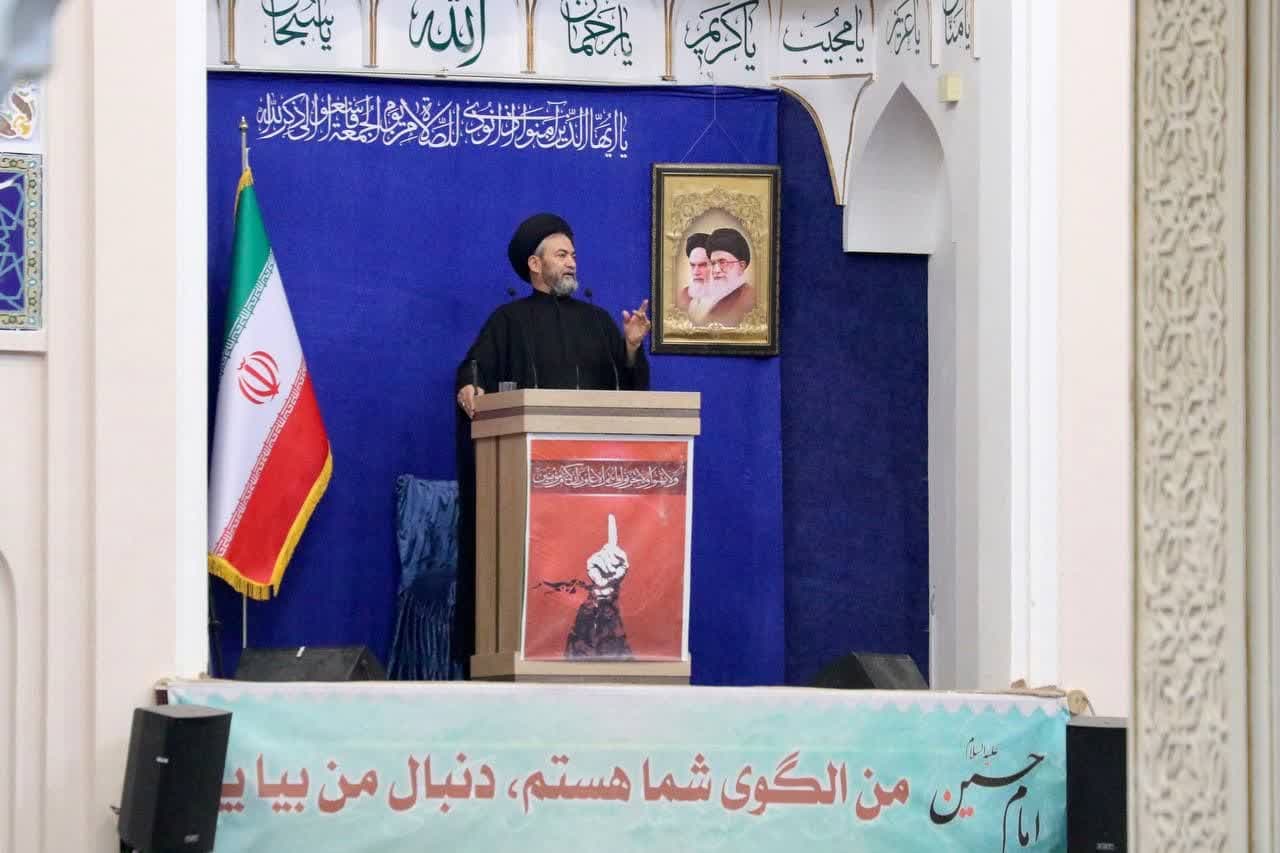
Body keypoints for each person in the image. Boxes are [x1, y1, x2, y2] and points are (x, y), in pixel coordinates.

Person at [455, 212, 652, 417]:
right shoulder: (508, 319)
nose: (572, 264)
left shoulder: (597, 319)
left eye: (573, 256)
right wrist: (470, 385)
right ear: (535, 264)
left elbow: (629, 387)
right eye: (562, 255)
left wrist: (631, 347)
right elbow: (475, 367)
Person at [680, 226, 756, 327]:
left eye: (723, 262)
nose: (716, 270)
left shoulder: (749, 299)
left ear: (741, 266)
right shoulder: (685, 296)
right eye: (713, 263)